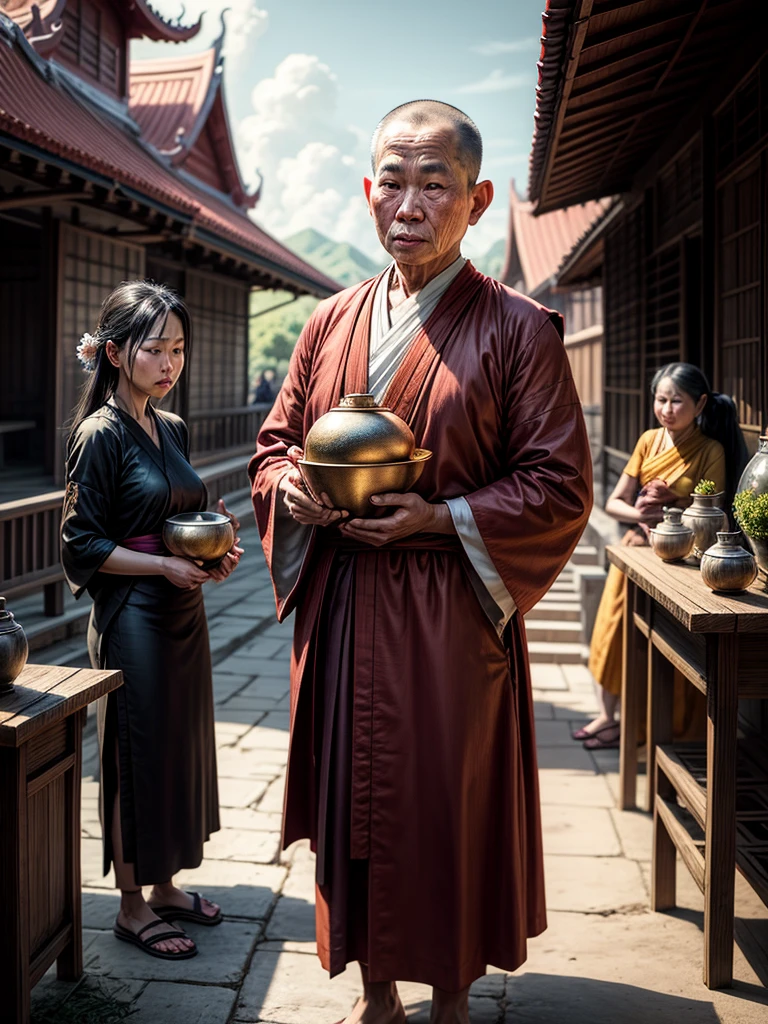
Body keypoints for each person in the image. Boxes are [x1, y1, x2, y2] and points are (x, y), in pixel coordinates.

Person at [249, 100, 592, 1024]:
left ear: (475, 200)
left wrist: (438, 519)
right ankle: (376, 994)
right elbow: (276, 444)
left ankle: (449, 997)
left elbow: (560, 485)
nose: (409, 201)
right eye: (392, 180)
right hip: (346, 604)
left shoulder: (520, 328)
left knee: (444, 808)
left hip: (448, 623)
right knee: (354, 809)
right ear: (367, 192)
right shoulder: (328, 323)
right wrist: (292, 491)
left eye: (433, 182)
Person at [61, 281, 243, 961]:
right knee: (134, 754)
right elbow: (82, 545)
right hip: (132, 616)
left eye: (179, 349)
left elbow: (175, 521)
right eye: (154, 349)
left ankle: (166, 885)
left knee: (176, 747)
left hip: (182, 610)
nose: (169, 363)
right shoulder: (97, 435)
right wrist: (164, 568)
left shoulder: (171, 427)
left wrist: (213, 552)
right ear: (114, 353)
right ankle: (132, 906)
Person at [581, 362, 748, 749]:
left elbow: (716, 512)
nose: (667, 409)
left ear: (701, 403)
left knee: (666, 647)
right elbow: (613, 503)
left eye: (677, 401)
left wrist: (673, 508)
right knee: (611, 631)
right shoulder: (648, 441)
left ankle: (646, 729)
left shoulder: (711, 450)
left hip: (682, 561)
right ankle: (609, 717)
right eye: (661, 399)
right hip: (637, 550)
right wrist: (643, 513)